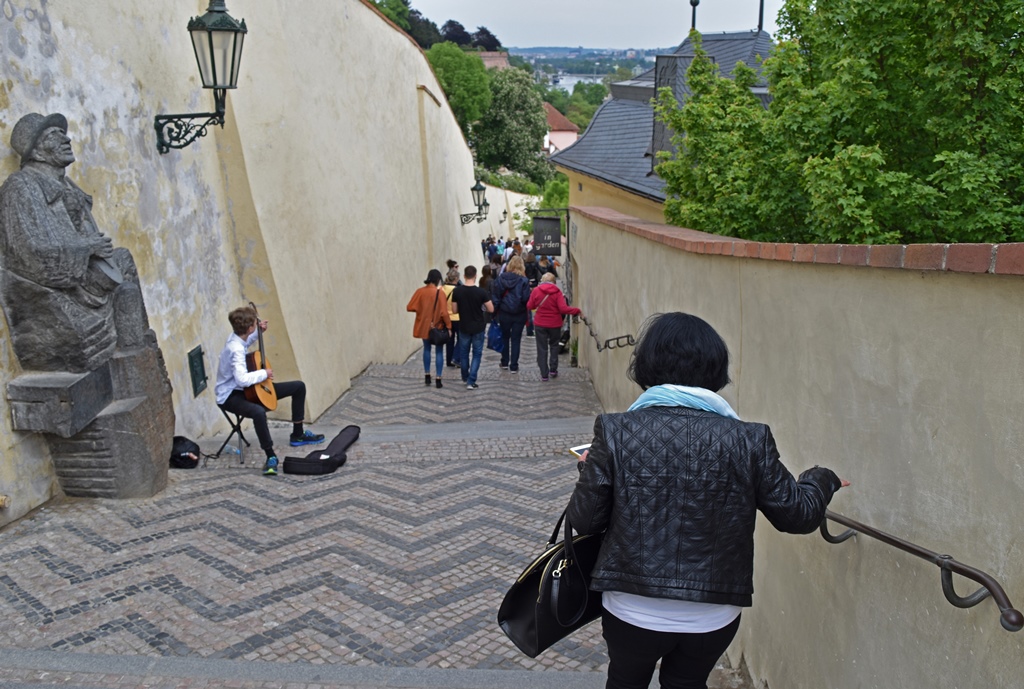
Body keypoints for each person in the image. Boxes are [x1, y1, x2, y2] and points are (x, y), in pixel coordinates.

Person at [567, 312, 849, 689]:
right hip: (712, 614)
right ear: (716, 369)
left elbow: (585, 521)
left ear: (646, 366)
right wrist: (822, 479)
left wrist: (591, 472)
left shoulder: (616, 430)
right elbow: (797, 515)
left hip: (632, 610)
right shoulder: (749, 439)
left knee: (624, 682)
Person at [0, 112, 151, 372]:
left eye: (63, 133)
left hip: (80, 276)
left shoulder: (66, 186)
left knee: (123, 262)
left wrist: (91, 242)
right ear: (36, 151)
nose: (65, 139)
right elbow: (28, 255)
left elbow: (82, 230)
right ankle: (131, 364)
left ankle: (135, 357)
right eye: (53, 136)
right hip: (52, 285)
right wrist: (88, 248)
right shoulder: (20, 187)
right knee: (122, 283)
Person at [215, 306, 325, 476]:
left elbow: (245, 342)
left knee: (298, 387)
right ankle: (270, 456)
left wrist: (258, 332)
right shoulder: (235, 349)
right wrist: (263, 373)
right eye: (254, 324)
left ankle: (298, 434)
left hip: (247, 389)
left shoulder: (236, 338)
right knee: (258, 412)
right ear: (249, 327)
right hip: (230, 395)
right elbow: (241, 379)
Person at [526, 273, 580, 381]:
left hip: (540, 324)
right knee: (554, 346)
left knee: (542, 348)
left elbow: (529, 306)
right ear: (554, 282)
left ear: (542, 281)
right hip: (554, 324)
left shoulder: (536, 290)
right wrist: (577, 310)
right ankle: (553, 370)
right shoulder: (557, 292)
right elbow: (563, 309)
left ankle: (544, 374)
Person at [406, 268, 452, 388]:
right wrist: (449, 326)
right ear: (438, 280)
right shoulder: (439, 293)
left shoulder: (420, 292)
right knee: (439, 351)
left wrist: (422, 310)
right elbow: (444, 313)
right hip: (437, 326)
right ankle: (438, 378)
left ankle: (427, 376)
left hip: (423, 326)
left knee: (426, 349)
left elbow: (410, 307)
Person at [450, 265, 493, 389]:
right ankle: (471, 380)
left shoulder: (457, 291)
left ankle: (465, 376)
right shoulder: (481, 292)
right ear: (475, 276)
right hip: (478, 327)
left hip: (463, 325)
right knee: (477, 354)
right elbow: (491, 308)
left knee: (464, 353)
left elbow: (454, 310)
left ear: (464, 276)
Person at [491, 255, 531, 372]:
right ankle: (514, 366)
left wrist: (494, 313)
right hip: (519, 314)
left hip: (504, 312)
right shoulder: (524, 280)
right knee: (516, 339)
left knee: (505, 337)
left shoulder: (501, 278)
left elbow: (496, 297)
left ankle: (504, 362)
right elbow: (525, 299)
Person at [441, 268, 462, 368]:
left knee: (449, 341)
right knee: (461, 339)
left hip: (446, 318)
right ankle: (456, 357)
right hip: (457, 317)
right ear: (456, 279)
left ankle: (449, 361)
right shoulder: (458, 290)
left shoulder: (442, 289)